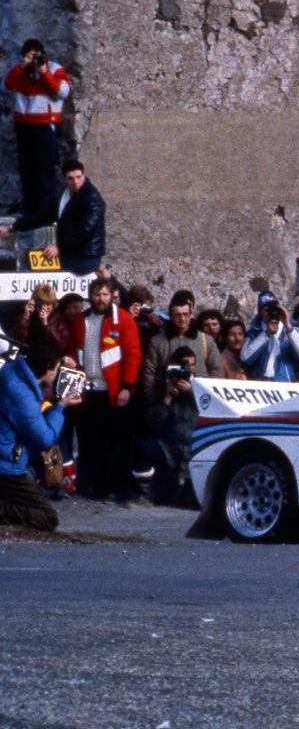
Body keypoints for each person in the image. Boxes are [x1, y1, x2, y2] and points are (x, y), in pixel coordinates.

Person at [64, 277, 142, 500]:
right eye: (97, 294)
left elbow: (133, 356)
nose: (101, 299)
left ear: (112, 296)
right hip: (88, 391)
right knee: (90, 442)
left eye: (105, 294)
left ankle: (118, 489)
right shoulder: (81, 320)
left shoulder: (124, 320)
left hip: (115, 392)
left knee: (117, 443)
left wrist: (126, 387)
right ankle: (93, 487)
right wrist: (69, 364)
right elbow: (72, 351)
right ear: (90, 296)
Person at [1, 39, 72, 269]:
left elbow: (62, 91)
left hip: (45, 125)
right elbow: (7, 85)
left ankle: (45, 211)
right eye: (31, 55)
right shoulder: (20, 71)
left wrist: (43, 72)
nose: (35, 59)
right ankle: (30, 211)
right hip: (24, 126)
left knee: (44, 171)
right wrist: (23, 65)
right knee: (27, 170)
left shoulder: (54, 69)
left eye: (37, 54)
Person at [0, 339, 82, 531]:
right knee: (47, 518)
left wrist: (59, 361)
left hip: (8, 456)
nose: (58, 372)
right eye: (57, 368)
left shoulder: (13, 371)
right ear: (47, 367)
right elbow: (44, 439)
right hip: (7, 468)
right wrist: (61, 406)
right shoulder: (22, 397)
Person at [137, 346, 200, 507]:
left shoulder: (202, 386)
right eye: (185, 364)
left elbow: (210, 407)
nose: (189, 368)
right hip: (169, 448)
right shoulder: (166, 384)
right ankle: (146, 494)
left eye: (192, 365)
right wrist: (168, 398)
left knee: (190, 503)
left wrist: (192, 391)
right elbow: (153, 423)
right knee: (144, 448)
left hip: (194, 447)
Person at [142, 292, 223, 402]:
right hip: (166, 400)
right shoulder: (157, 341)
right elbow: (149, 374)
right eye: (178, 315)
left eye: (185, 314)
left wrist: (207, 399)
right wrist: (153, 401)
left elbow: (217, 373)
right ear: (171, 315)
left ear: (191, 315)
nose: (182, 318)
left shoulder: (206, 340)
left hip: (198, 401)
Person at [42, 159, 105, 275]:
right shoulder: (65, 193)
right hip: (71, 253)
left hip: (85, 257)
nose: (75, 182)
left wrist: (59, 247)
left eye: (78, 177)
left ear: (84, 175)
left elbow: (84, 232)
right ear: (65, 179)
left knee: (52, 275)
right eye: (71, 178)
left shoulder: (92, 199)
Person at [241, 291, 299, 382]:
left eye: (274, 309)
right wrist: (265, 335)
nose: (271, 313)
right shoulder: (254, 331)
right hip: (259, 383)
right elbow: (245, 357)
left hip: (284, 383)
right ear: (260, 314)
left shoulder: (291, 329)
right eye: (267, 310)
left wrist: (288, 326)